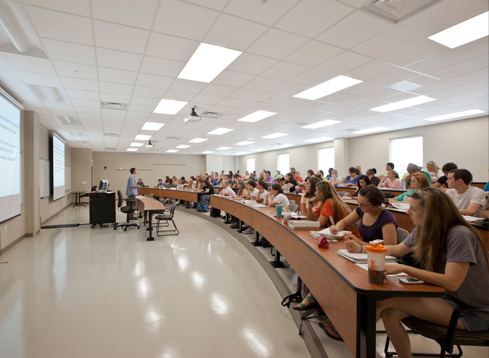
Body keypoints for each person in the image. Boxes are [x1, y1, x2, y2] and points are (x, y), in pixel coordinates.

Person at [348, 188, 489, 358]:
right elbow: (399, 249)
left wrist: (405, 268)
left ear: (431, 212)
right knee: (389, 313)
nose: (408, 212)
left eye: (413, 209)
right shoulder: (424, 228)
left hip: (471, 312)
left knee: (380, 303)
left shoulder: (459, 235)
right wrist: (363, 248)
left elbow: (452, 282)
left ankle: (353, 345)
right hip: (443, 298)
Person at [330, 185, 398, 246]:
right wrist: (337, 228)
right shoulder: (361, 210)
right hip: (364, 250)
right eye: (359, 203)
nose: (360, 206)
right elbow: (344, 222)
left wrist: (358, 241)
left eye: (364, 205)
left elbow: (390, 249)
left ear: (376, 204)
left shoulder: (387, 219)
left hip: (377, 254)